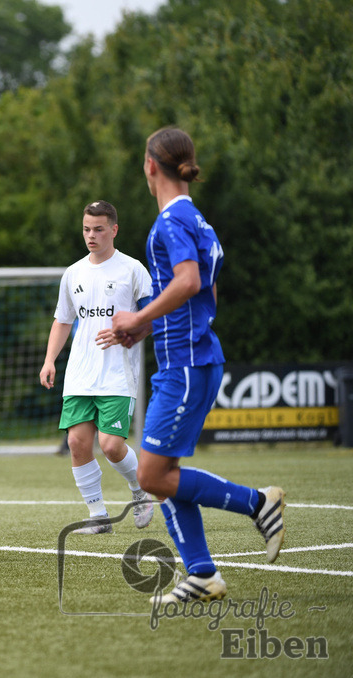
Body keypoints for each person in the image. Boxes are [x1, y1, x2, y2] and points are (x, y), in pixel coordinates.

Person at [111, 127, 285, 605]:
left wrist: (141, 315)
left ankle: (258, 503)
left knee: (151, 476)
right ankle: (203, 574)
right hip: (188, 357)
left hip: (186, 364)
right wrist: (151, 327)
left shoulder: (170, 221)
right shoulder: (196, 219)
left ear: (150, 165)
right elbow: (201, 292)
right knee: (164, 473)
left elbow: (187, 280)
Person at [40, 200, 155, 534]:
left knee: (111, 445)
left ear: (114, 230)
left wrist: (128, 333)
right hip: (79, 375)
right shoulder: (73, 273)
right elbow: (62, 321)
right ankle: (99, 515)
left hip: (118, 374)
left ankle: (140, 492)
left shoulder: (133, 270)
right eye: (87, 229)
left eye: (99, 229)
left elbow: (151, 319)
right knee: (77, 443)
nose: (91, 235)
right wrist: (49, 360)